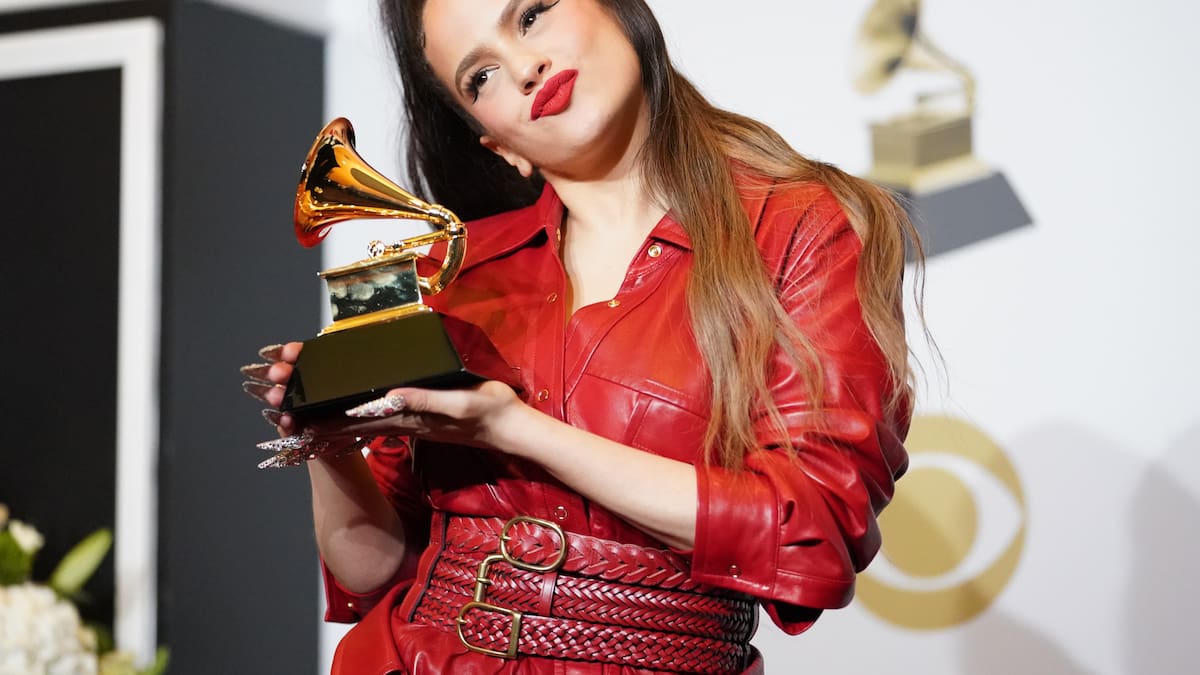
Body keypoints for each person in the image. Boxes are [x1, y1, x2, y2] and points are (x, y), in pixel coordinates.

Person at [242, 1, 922, 673]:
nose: (524, 68)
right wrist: (329, 441)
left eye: (531, 14)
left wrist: (513, 428)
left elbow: (811, 533)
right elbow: (376, 572)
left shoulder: (804, 227)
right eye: (481, 77)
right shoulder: (444, 272)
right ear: (500, 145)